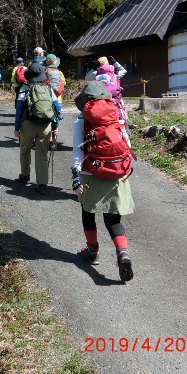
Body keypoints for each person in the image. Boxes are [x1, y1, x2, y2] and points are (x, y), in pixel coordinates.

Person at [71, 80, 135, 282]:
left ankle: (92, 251)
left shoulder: (81, 122)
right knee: (113, 219)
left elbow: (77, 151)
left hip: (91, 173)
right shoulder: (117, 118)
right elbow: (127, 144)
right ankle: (123, 253)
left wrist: (75, 176)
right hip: (116, 173)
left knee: (88, 212)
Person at [14, 62, 62, 194]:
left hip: (28, 125)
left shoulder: (25, 88)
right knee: (42, 154)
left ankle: (25, 176)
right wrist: (55, 126)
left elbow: (19, 109)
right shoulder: (48, 89)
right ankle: (42, 184)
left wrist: (17, 128)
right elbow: (58, 108)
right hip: (45, 126)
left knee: (25, 150)